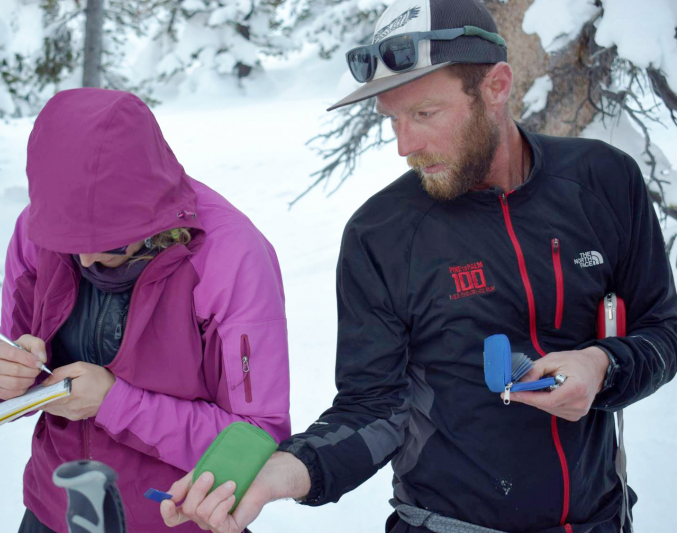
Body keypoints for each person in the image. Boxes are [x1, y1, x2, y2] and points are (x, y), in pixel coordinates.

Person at [160, 0, 677, 532]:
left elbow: (664, 331)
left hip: (602, 519)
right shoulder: (381, 234)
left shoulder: (602, 182)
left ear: (496, 87)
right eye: (392, 119)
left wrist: (603, 366)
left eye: (424, 114)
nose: (405, 144)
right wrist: (283, 472)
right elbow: (374, 408)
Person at [0, 87, 291, 533]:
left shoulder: (230, 255)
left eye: (107, 244)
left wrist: (113, 403)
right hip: (54, 515)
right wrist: (4, 380)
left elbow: (257, 441)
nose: (85, 261)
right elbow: (12, 354)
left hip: (174, 520)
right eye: (69, 244)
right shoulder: (36, 231)